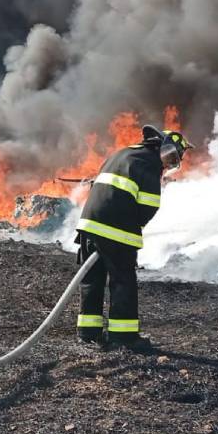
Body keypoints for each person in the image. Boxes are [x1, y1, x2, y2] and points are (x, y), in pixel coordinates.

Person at [74, 124, 194, 351]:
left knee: (92, 281)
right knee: (122, 282)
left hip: (88, 225)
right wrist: (135, 223)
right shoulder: (149, 163)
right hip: (116, 231)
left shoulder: (122, 153)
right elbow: (148, 206)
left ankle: (88, 334)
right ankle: (123, 337)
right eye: (173, 156)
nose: (170, 163)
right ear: (164, 148)